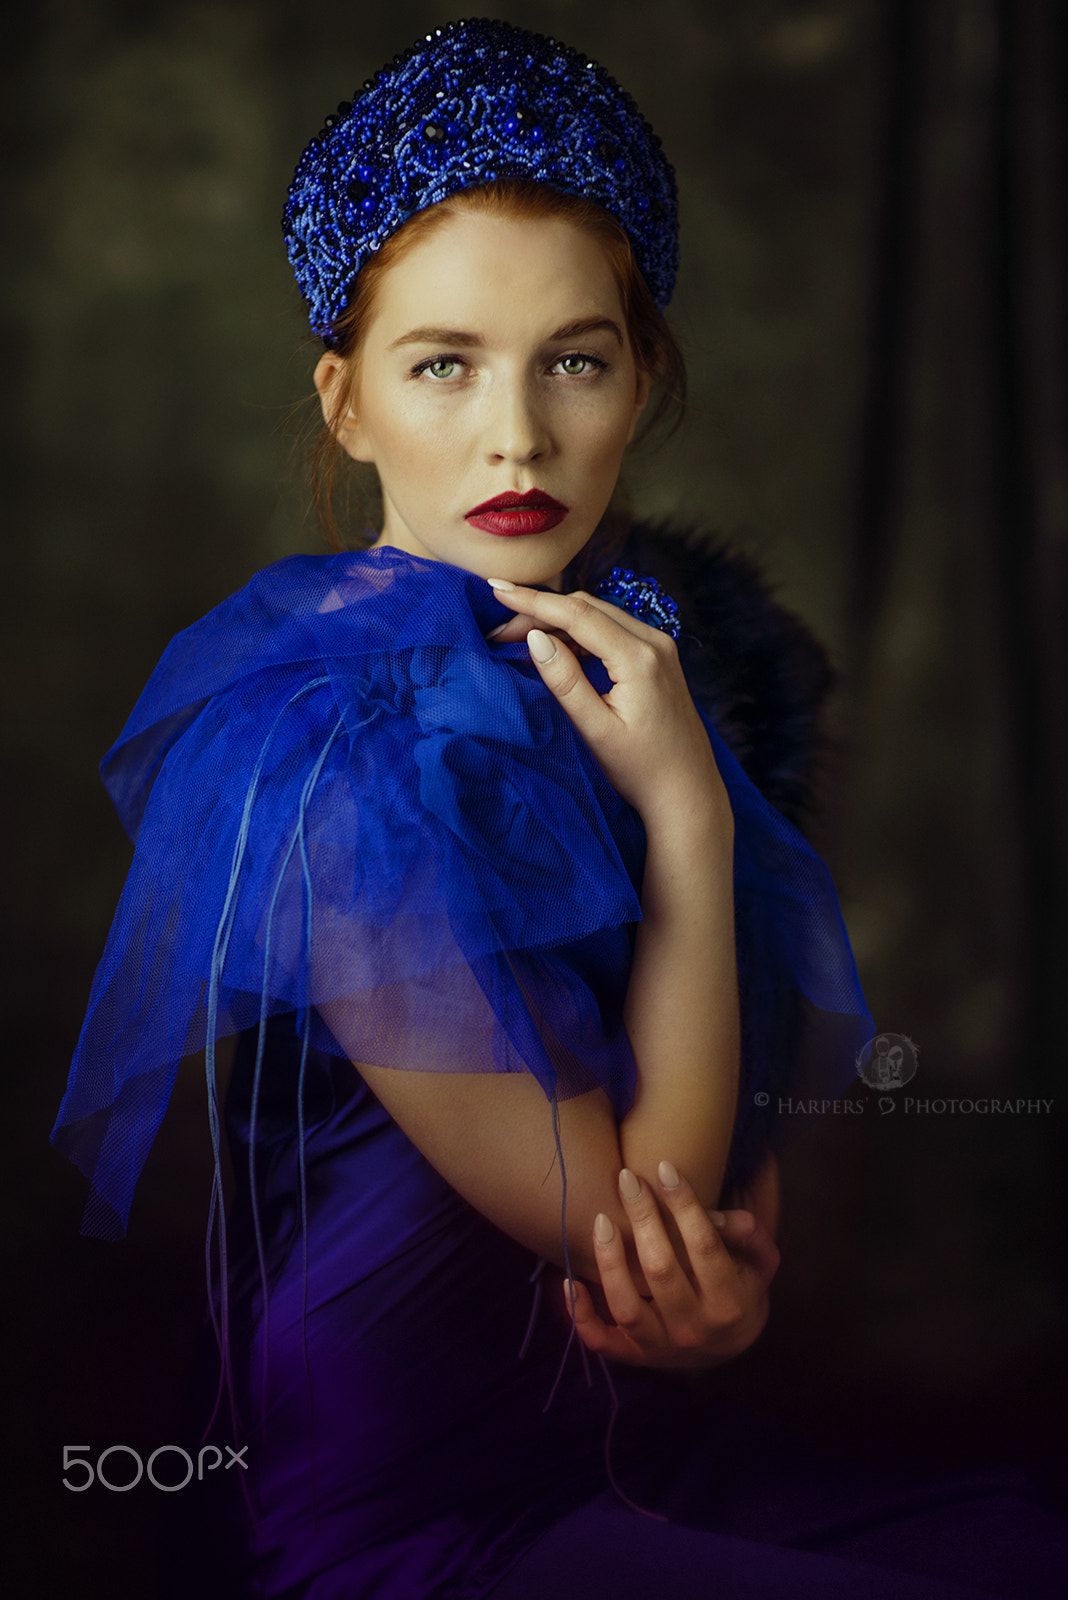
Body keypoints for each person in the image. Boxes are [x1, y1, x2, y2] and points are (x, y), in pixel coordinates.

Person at [52, 18, 1066, 1599]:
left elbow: (706, 1170)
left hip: (633, 1444)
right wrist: (689, 826)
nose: (517, 434)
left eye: (573, 360)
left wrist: (725, 1289)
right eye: (443, 364)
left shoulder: (656, 666)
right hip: (409, 1514)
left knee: (1024, 1545)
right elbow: (621, 1225)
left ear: (641, 380)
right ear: (346, 402)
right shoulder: (347, 752)